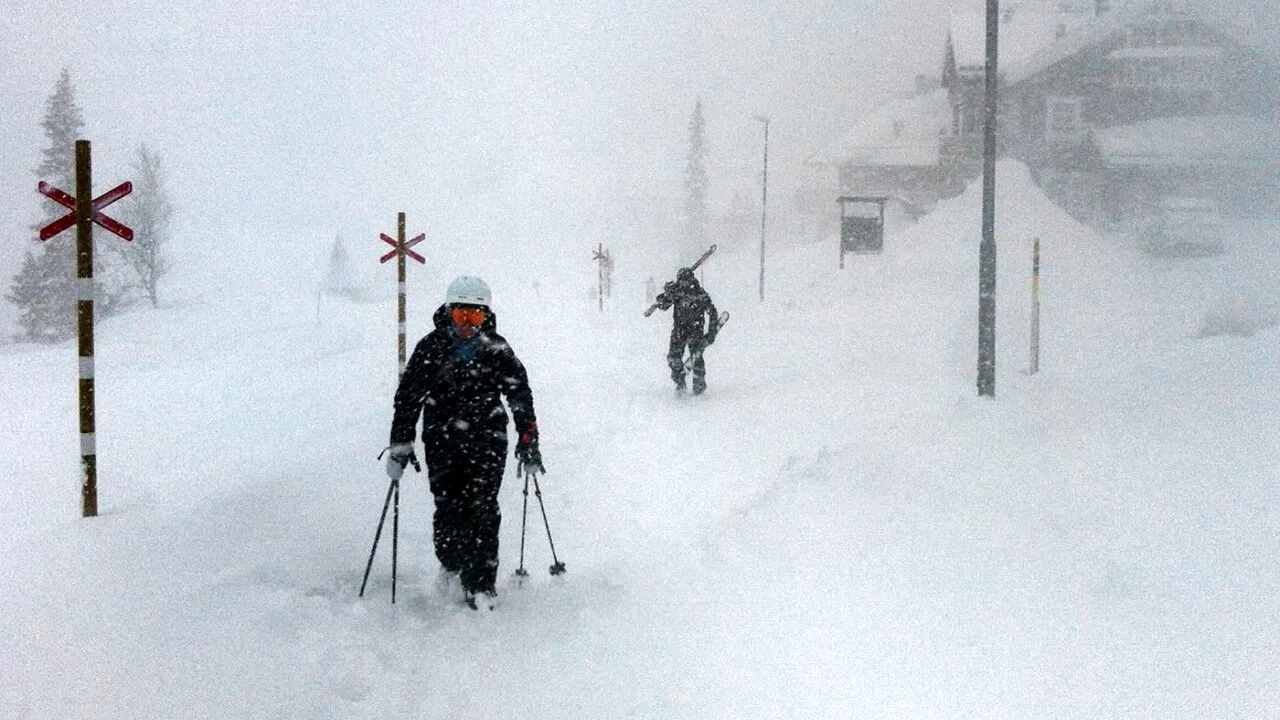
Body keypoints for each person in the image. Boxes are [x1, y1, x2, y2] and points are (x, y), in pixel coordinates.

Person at [383, 276, 544, 610]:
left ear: (486, 315)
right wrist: (401, 441)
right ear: (448, 313)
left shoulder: (497, 349)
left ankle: (481, 584)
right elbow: (409, 396)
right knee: (448, 506)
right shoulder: (431, 347)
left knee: (483, 508)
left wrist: (527, 436)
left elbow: (519, 393)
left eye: (475, 316)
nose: (467, 324)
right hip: (442, 440)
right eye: (460, 316)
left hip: (488, 440)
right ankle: (452, 562)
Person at [655, 267, 720, 395]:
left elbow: (712, 311)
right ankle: (680, 381)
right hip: (679, 330)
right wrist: (667, 293)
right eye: (681, 282)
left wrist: (712, 331)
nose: (684, 285)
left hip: (695, 330)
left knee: (696, 358)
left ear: (691, 280)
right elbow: (662, 305)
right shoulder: (677, 293)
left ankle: (699, 386)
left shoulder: (699, 293)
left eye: (686, 282)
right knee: (673, 358)